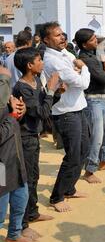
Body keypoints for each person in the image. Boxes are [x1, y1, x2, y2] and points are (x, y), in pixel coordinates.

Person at [40, 22, 90, 212]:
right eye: (57, 35)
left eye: (63, 34)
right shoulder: (53, 60)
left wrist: (77, 70)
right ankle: (57, 196)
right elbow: (81, 82)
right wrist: (83, 68)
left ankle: (69, 188)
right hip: (66, 113)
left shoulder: (65, 54)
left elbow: (74, 72)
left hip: (77, 107)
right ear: (46, 39)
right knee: (73, 156)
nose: (62, 38)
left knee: (83, 150)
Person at [13, 47, 59, 226]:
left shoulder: (37, 81)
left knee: (34, 176)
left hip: (33, 136)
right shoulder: (22, 88)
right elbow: (41, 112)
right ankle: (22, 223)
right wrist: (50, 91)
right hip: (25, 138)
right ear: (29, 65)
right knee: (27, 180)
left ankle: (33, 212)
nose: (42, 63)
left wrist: (56, 93)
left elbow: (46, 105)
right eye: (39, 60)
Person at [0, 66, 36, 242]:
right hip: (1, 164)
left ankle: (14, 234)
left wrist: (19, 110)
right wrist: (13, 115)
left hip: (15, 154)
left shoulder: (5, 97)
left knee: (21, 195)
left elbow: (12, 119)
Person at [75, 28, 105, 183]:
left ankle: (103, 161)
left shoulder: (92, 55)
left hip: (102, 98)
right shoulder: (89, 60)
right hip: (93, 100)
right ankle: (89, 170)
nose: (96, 41)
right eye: (93, 39)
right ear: (85, 44)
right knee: (97, 137)